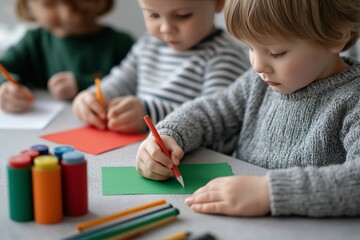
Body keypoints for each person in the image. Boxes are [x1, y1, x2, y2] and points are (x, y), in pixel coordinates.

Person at [135, 0, 360, 217]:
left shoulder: (353, 100)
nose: (258, 65)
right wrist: (169, 135)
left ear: (336, 36)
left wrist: (269, 192)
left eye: (276, 52)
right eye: (249, 47)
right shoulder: (259, 82)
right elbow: (212, 110)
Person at [72, 0, 250, 134]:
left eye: (182, 15)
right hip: (141, 150)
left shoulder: (224, 57)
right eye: (153, 15)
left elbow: (215, 119)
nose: (166, 28)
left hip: (190, 160)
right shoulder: (148, 43)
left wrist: (148, 113)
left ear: (218, 3)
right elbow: (121, 79)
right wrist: (96, 97)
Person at [0, 0, 134, 113]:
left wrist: (82, 84)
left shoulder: (121, 44)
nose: (67, 13)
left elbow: (136, 86)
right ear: (28, 5)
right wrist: (5, 86)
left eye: (77, 2)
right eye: (50, 4)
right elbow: (3, 67)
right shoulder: (33, 42)